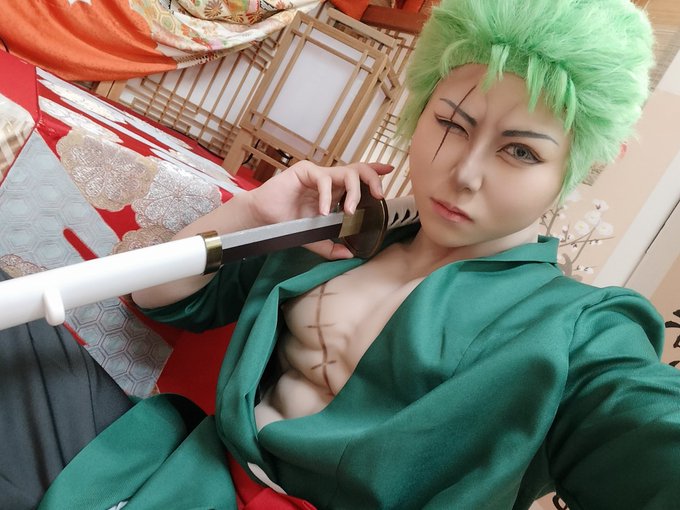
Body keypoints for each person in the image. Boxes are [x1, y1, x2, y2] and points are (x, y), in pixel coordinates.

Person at [3, 0, 679, 508]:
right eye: (452, 123)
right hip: (174, 468)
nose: (466, 174)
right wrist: (255, 215)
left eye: (521, 152)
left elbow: (639, 426)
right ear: (421, 109)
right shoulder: (349, 231)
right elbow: (161, 299)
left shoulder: (579, 329)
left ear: (572, 170)